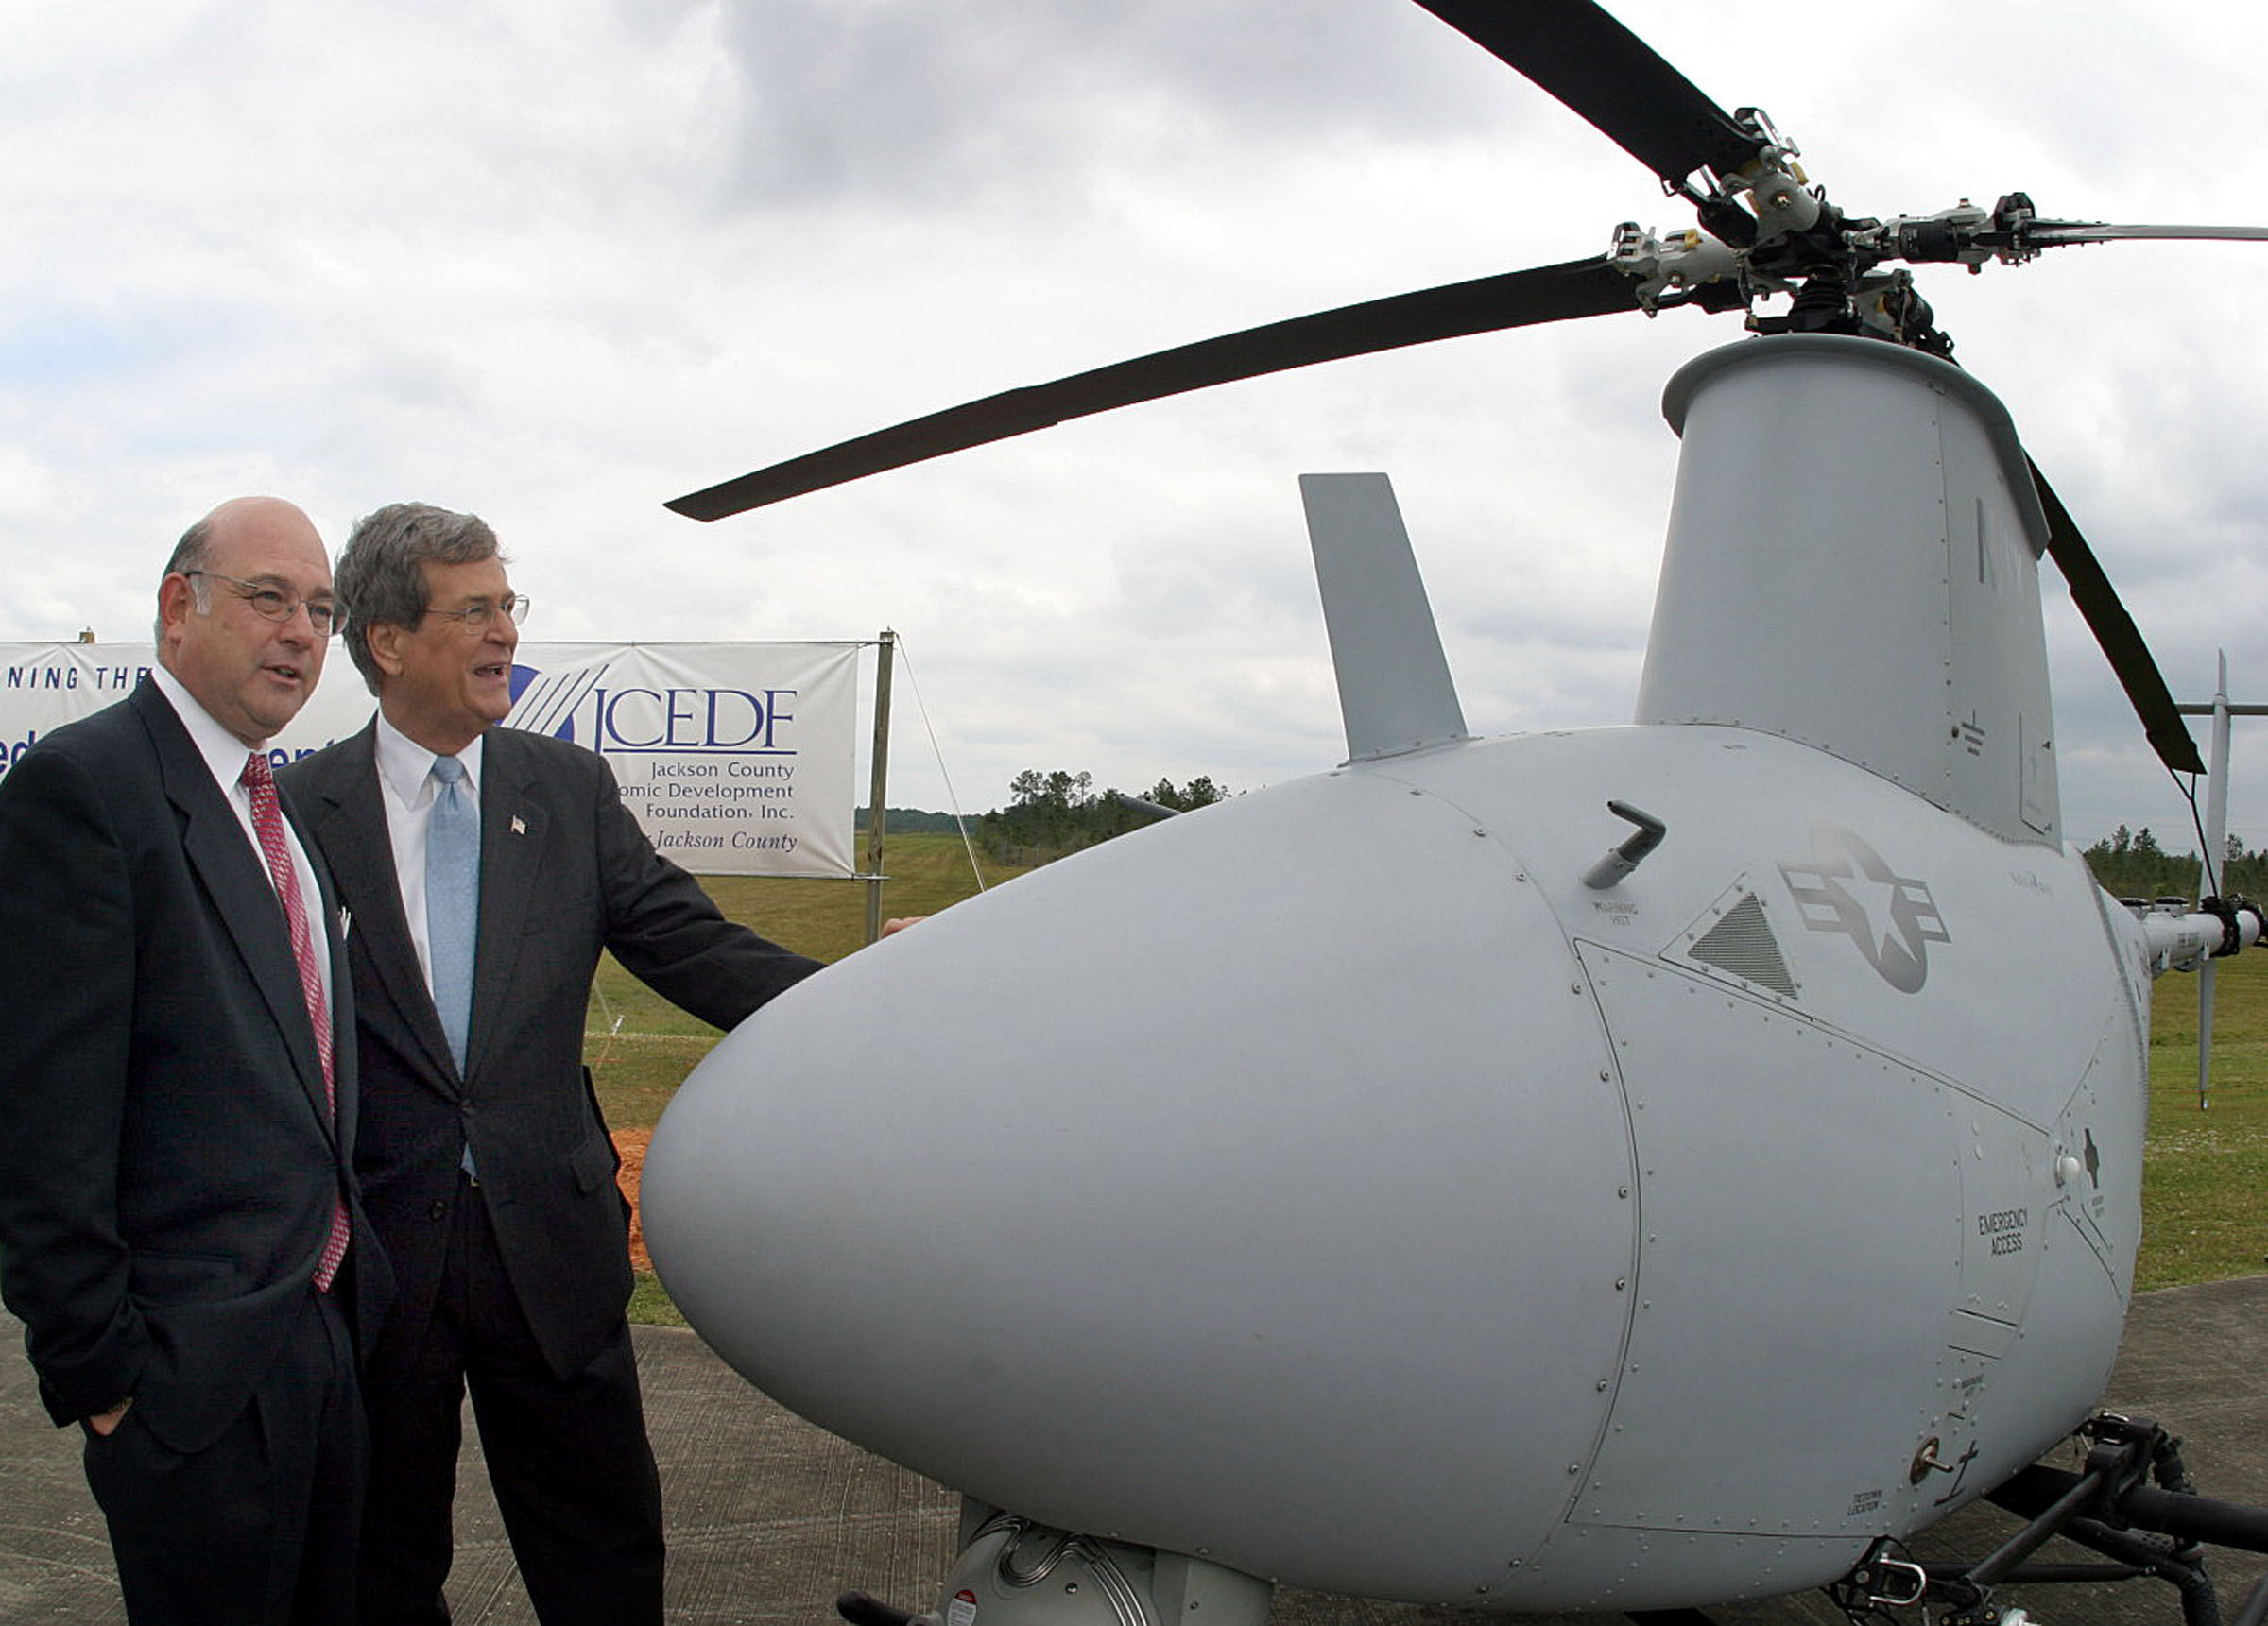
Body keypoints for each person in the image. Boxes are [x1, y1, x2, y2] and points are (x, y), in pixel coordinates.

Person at [279, 502, 825, 1626]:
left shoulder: (569, 792)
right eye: (473, 609)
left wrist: (866, 1002)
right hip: (377, 1260)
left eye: (507, 605)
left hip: (552, 1247)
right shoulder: (298, 813)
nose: (505, 633)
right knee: (377, 1566)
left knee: (604, 1555)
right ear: (388, 639)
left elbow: (694, 946)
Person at [0, 495, 391, 1625]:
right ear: (180, 608)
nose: (302, 632)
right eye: (270, 598)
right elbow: (40, 1119)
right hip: (187, 1380)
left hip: (318, 1341)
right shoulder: (86, 790)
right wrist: (108, 1378)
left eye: (321, 609)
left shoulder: (278, 807)